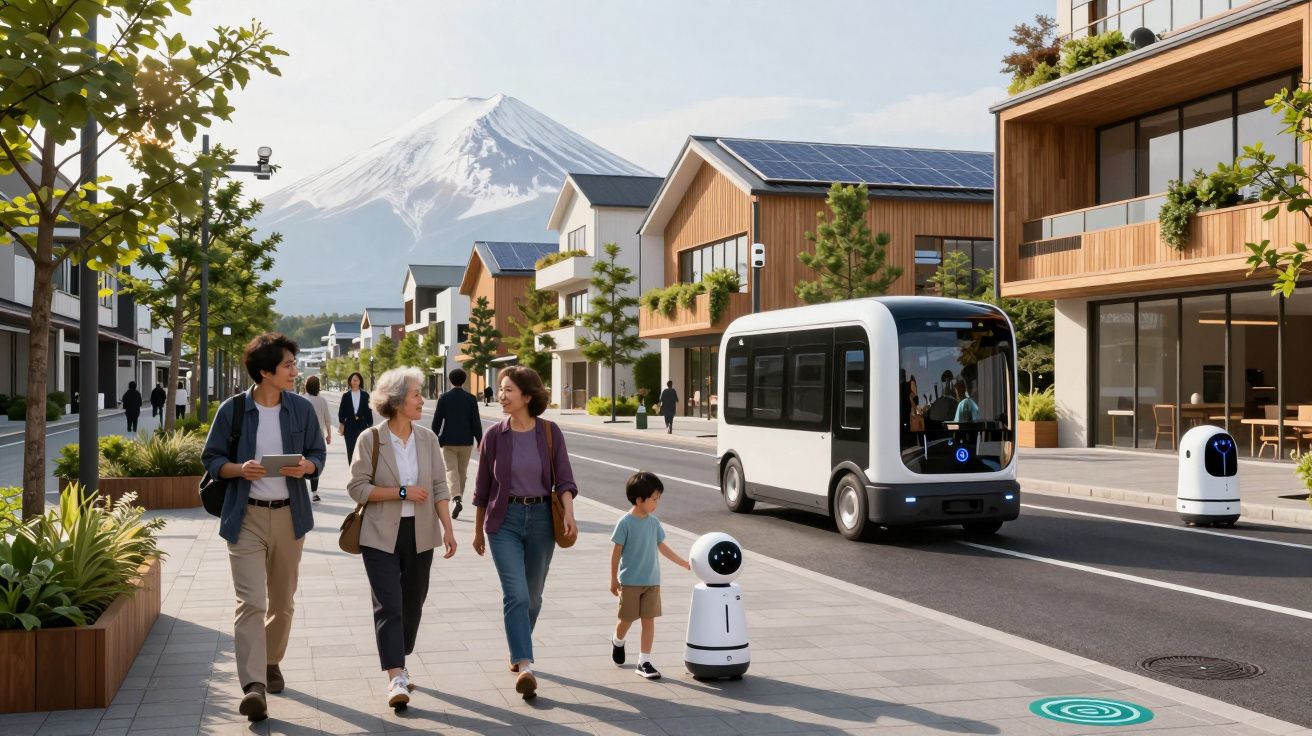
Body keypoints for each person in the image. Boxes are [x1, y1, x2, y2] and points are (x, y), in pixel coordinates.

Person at [201, 333, 326, 723]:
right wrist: (240, 469)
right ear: (265, 371)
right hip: (246, 516)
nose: (295, 371)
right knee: (251, 602)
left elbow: (318, 452)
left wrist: (307, 467)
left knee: (283, 602)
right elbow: (211, 458)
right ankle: (254, 686)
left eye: (294, 364)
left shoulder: (301, 409)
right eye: (288, 365)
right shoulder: (233, 410)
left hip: (291, 516)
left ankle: (271, 660)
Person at [348, 367, 456, 710]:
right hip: (379, 533)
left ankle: (400, 654)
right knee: (389, 605)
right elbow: (357, 487)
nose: (421, 400)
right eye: (415, 394)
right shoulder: (371, 439)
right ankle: (396, 677)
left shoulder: (428, 439)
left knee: (413, 603)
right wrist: (401, 491)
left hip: (420, 533)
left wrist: (448, 528)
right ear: (396, 401)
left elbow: (440, 486)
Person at [471, 366, 578, 700]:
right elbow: (482, 488)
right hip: (504, 520)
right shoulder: (493, 436)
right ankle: (525, 663)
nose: (501, 396)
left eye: (508, 391)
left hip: (543, 520)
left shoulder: (549, 432)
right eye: (500, 390)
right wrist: (477, 531)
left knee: (533, 597)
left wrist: (569, 513)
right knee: (515, 594)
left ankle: (518, 646)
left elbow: (564, 479)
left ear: (527, 396)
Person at [609, 471, 689, 680]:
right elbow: (616, 554)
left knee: (648, 621)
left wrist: (684, 563)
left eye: (659, 498)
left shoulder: (653, 523)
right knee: (626, 619)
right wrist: (613, 579)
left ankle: (644, 661)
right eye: (654, 498)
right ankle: (618, 640)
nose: (657, 502)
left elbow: (662, 547)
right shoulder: (625, 523)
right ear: (639, 500)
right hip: (629, 582)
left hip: (652, 582)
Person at [432, 368, 482, 520]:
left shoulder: (444, 398)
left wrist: (433, 437)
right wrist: (480, 440)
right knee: (462, 472)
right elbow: (476, 421)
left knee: (451, 470)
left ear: (450, 381)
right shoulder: (471, 399)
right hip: (466, 441)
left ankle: (456, 498)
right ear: (464, 380)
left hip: (448, 441)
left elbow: (437, 419)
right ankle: (457, 498)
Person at [302, 376, 332, 502]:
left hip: (302, 434)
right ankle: (314, 493)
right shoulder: (322, 400)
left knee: (300, 462)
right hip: (318, 434)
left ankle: (301, 492)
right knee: (315, 461)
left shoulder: (302, 399)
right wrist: (329, 435)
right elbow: (327, 419)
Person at [338, 372, 374, 463]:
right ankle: (352, 469)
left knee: (362, 449)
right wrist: (342, 424)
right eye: (352, 380)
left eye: (356, 380)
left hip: (362, 425)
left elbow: (369, 411)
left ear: (360, 381)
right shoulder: (346, 395)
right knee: (350, 449)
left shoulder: (365, 395)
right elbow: (341, 412)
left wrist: (370, 425)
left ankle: (361, 470)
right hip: (349, 426)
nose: (353, 382)